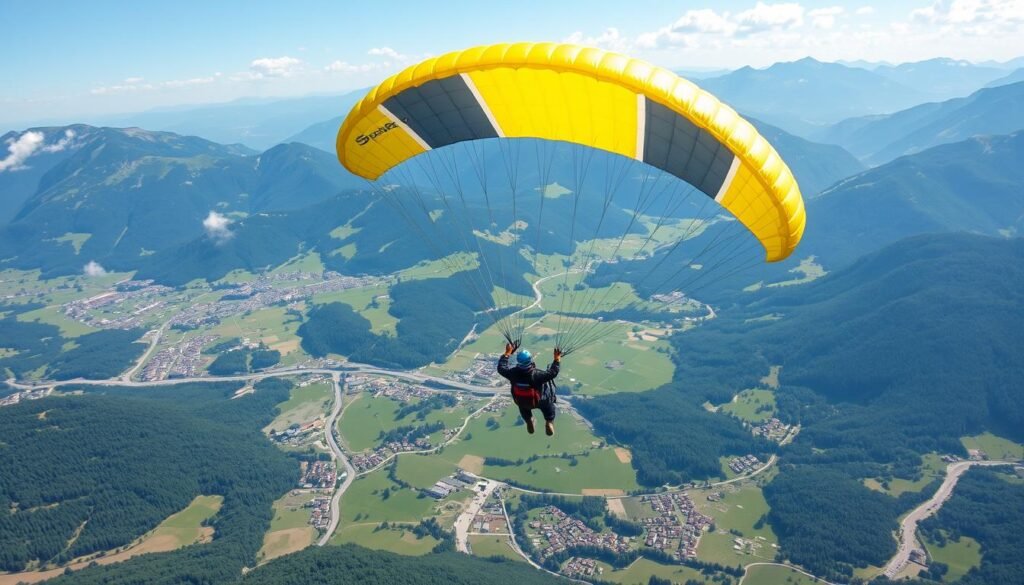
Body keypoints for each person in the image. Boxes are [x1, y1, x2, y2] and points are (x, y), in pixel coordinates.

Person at [496, 343, 560, 436]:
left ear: (518, 361)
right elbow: (553, 373)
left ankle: (529, 421)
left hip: (522, 401)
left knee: (523, 406)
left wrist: (507, 353)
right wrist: (557, 359)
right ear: (530, 360)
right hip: (540, 401)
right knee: (548, 405)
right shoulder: (537, 375)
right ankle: (549, 422)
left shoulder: (512, 373)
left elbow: (501, 368)